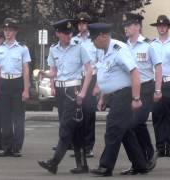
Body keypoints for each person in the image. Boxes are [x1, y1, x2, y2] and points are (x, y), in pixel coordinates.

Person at [88, 23, 152, 176]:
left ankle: (105, 167)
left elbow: (134, 73)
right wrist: (103, 97)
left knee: (113, 130)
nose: (92, 42)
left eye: (94, 38)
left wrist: (136, 98)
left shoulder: (119, 49)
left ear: (103, 36)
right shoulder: (104, 51)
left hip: (124, 95)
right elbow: (109, 77)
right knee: (126, 132)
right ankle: (140, 164)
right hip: (115, 96)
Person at [38, 19, 93, 174]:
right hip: (61, 93)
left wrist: (83, 92)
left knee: (65, 127)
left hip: (73, 90)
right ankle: (82, 165)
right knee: (75, 129)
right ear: (58, 34)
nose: (69, 36)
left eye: (70, 33)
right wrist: (44, 73)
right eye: (66, 33)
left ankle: (54, 162)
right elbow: (53, 72)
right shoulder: (54, 50)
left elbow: (89, 70)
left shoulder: (79, 48)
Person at [121, 13, 161, 175]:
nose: (126, 28)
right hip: (130, 90)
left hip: (146, 89)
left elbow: (158, 68)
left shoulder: (148, 45)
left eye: (129, 25)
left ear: (137, 26)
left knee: (135, 124)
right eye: (125, 25)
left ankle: (149, 154)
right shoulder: (124, 47)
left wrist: (158, 89)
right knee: (133, 126)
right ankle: (138, 162)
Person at [0, 18, 31, 157]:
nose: (7, 33)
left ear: (15, 31)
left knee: (18, 117)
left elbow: (26, 69)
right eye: (5, 30)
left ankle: (16, 147)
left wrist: (26, 89)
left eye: (10, 30)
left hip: (17, 82)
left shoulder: (22, 48)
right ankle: (6, 147)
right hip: (4, 82)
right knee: (5, 117)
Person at [70, 12, 98, 158]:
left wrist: (97, 84)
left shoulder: (94, 40)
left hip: (91, 78)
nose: (81, 26)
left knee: (89, 112)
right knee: (76, 112)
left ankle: (88, 146)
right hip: (76, 79)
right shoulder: (73, 40)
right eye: (80, 23)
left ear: (88, 24)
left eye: (84, 23)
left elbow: (100, 62)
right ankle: (78, 146)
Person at [150, 15, 170, 157]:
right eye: (159, 26)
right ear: (157, 28)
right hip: (156, 83)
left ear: (168, 27)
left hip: (169, 83)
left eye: (164, 26)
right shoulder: (152, 45)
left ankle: (168, 146)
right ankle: (160, 146)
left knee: (169, 116)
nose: (161, 28)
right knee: (157, 115)